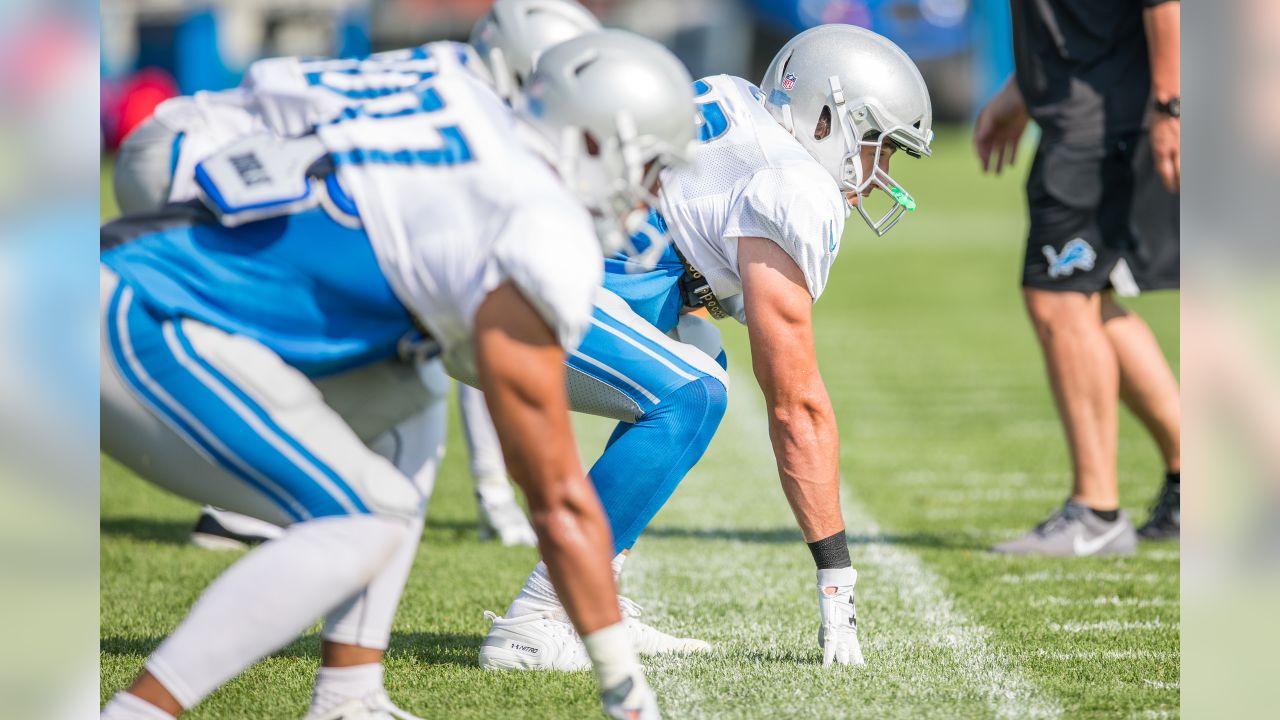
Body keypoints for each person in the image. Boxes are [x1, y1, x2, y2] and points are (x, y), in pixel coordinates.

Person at [99, 30, 697, 720]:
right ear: (594, 139)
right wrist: (624, 685)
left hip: (138, 273)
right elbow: (557, 497)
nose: (650, 199)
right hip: (146, 318)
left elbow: (258, 96)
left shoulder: (448, 98)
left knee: (412, 393)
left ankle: (349, 696)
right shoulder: (537, 226)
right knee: (364, 515)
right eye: (649, 169)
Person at [477, 23, 934, 670]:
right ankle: (542, 614)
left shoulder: (738, 104)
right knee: (692, 393)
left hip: (509, 257)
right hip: (508, 280)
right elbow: (794, 404)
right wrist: (837, 583)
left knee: (694, 349)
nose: (877, 171)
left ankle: (591, 594)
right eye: (875, 145)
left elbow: (673, 272)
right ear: (826, 119)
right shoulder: (794, 182)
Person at [112, 41, 538, 552]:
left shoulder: (440, 66)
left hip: (185, 131)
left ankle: (250, 502)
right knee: (390, 360)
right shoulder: (477, 118)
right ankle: (245, 499)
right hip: (209, 155)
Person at [975, 0, 1181, 555]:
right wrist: (1023, 90)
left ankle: (1097, 512)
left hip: (1103, 123)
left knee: (1060, 298)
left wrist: (1171, 105)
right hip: (1090, 111)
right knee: (1090, 301)